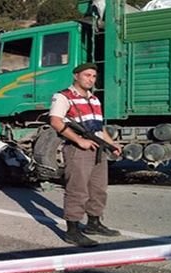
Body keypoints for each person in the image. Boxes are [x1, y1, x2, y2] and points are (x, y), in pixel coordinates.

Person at [49, 63, 122, 247]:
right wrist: (78, 140)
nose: (91, 79)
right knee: (77, 189)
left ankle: (94, 224)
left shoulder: (94, 100)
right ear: (76, 76)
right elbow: (56, 122)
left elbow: (99, 127)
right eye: (87, 75)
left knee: (98, 188)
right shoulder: (63, 96)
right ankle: (72, 231)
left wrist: (111, 143)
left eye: (94, 76)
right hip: (78, 149)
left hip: (98, 149)